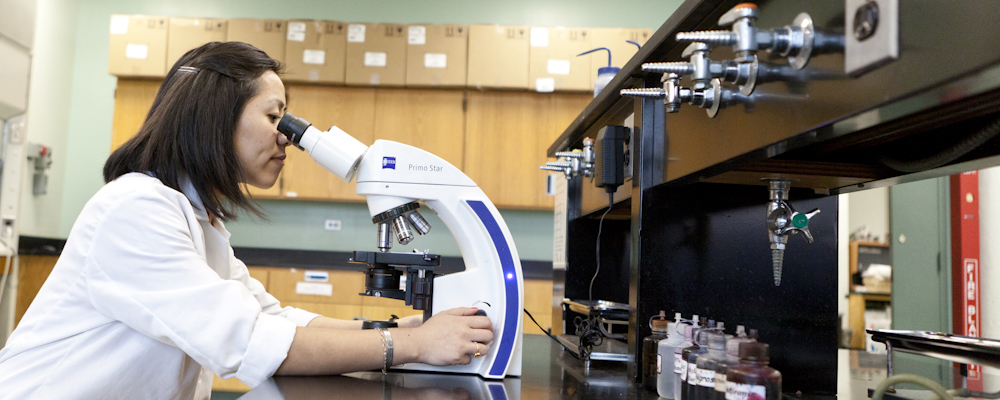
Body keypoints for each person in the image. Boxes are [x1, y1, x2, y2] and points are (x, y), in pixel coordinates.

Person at [0, 42, 493, 399]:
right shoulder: (134, 209)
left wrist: (385, 326)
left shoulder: (199, 221)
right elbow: (251, 343)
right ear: (216, 117)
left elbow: (272, 319)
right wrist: (411, 344)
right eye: (275, 117)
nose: (288, 138)